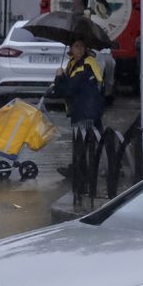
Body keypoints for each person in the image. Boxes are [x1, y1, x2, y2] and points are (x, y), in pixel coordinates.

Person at [49, 37, 107, 179]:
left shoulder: (85, 66)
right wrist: (60, 81)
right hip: (87, 108)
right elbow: (69, 85)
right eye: (76, 46)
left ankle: (82, 173)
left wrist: (58, 79)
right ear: (70, 49)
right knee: (86, 143)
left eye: (81, 46)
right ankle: (81, 169)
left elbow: (69, 89)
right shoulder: (76, 64)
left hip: (86, 110)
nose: (79, 49)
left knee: (83, 143)